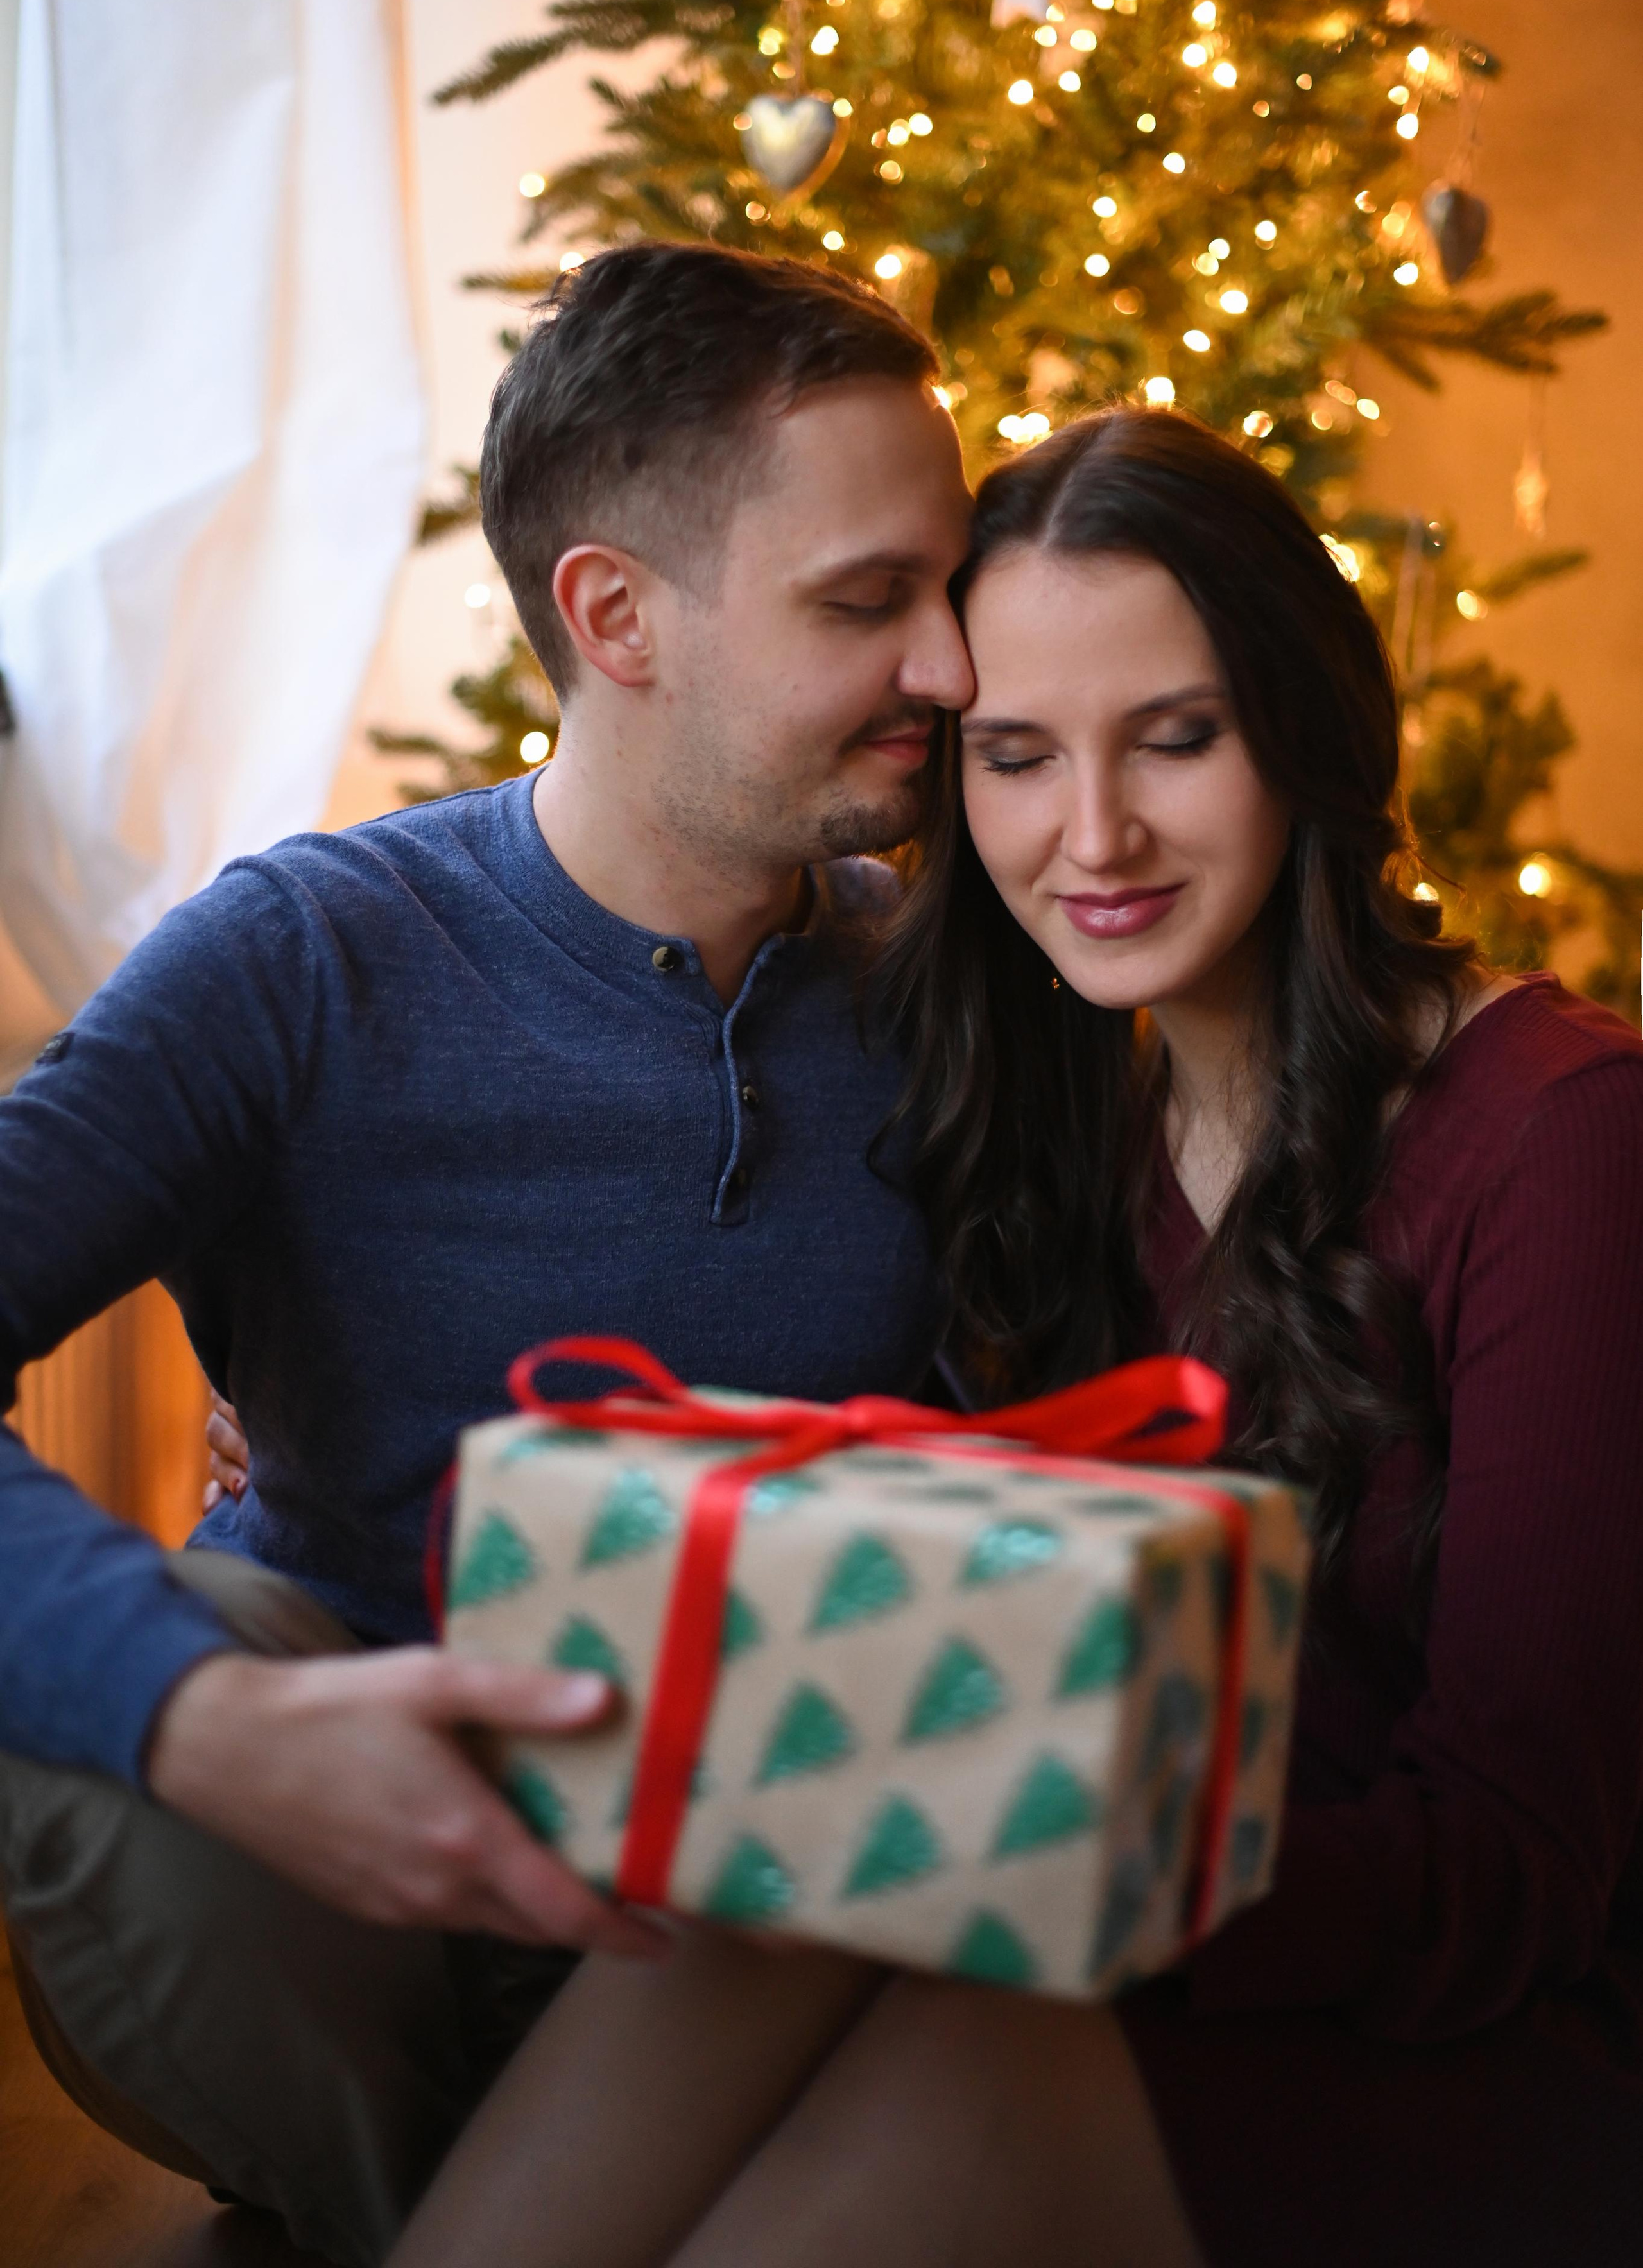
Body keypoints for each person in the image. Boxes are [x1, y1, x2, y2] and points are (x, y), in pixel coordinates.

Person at [381, 408, 1643, 2268]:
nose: (1095, 835)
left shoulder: (1564, 1136)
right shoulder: (1073, 1124)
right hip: (1138, 1928)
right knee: (773, 1913)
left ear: (1302, 732)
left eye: (1179, 740)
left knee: (933, 2015)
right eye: (1019, 756)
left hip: (1485, 2029)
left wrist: (1045, 1844)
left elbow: (1524, 1867)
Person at [0, 241, 975, 2266]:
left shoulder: (973, 985)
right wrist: (201, 1711)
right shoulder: (304, 958)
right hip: (353, 1873)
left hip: (778, 1882)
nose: (954, 668)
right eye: (868, 601)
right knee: (104, 1727)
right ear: (616, 615)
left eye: (949, 588)